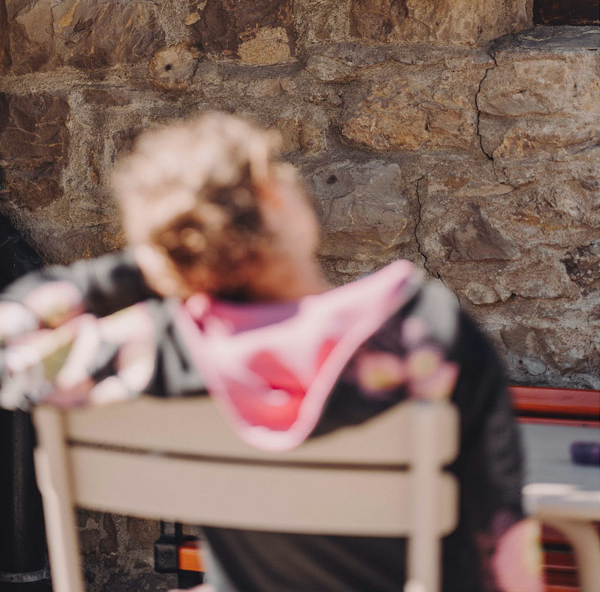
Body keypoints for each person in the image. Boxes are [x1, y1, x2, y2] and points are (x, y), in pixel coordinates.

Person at [0, 113, 542, 592]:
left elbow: (12, 340)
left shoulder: (159, 351)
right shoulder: (423, 333)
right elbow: (503, 545)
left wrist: (156, 263)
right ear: (275, 199)